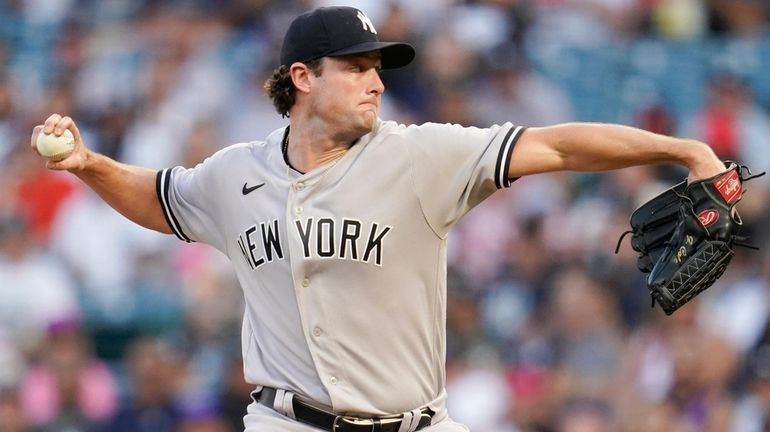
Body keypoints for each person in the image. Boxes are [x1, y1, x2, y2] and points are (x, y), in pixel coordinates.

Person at [30, 6, 728, 432]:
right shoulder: (234, 173)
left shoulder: (422, 154)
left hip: (418, 424)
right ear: (302, 77)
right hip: (287, 423)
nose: (376, 79)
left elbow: (555, 144)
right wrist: (89, 163)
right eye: (357, 65)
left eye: (379, 66)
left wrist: (678, 148)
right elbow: (157, 197)